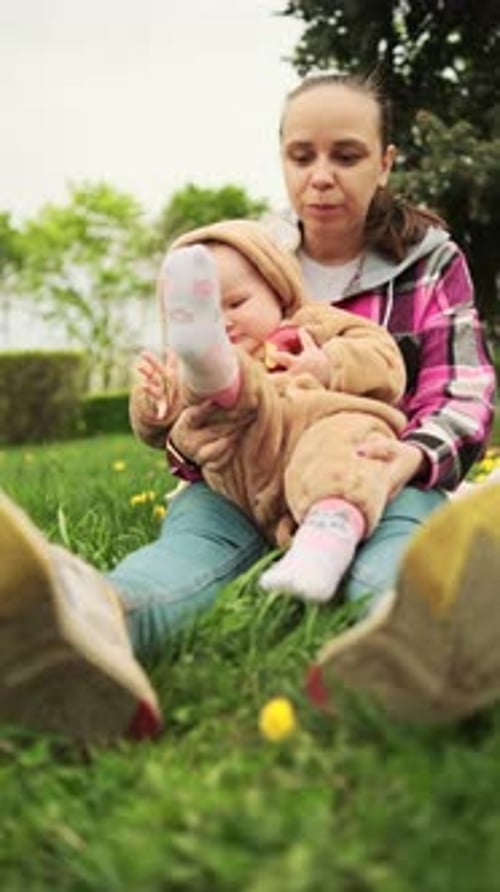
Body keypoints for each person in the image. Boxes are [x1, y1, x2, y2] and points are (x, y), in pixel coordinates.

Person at [0, 71, 496, 743]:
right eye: (302, 155)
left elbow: (463, 392)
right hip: (243, 483)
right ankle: (86, 619)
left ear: (384, 163)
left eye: (346, 155)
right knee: (183, 555)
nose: (321, 176)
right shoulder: (237, 258)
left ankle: (414, 641)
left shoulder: (428, 262)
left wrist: (405, 459)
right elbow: (190, 396)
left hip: (372, 470)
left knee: (393, 556)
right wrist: (183, 436)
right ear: (282, 158)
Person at [131, 219, 407, 604]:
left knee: (340, 441)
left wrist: (329, 365)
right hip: (243, 478)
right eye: (208, 312)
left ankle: (327, 536)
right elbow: (154, 434)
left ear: (279, 292)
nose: (224, 321)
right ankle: (215, 373)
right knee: (216, 394)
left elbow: (386, 360)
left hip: (318, 438)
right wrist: (158, 402)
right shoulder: (180, 363)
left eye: (236, 303)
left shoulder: (311, 324)